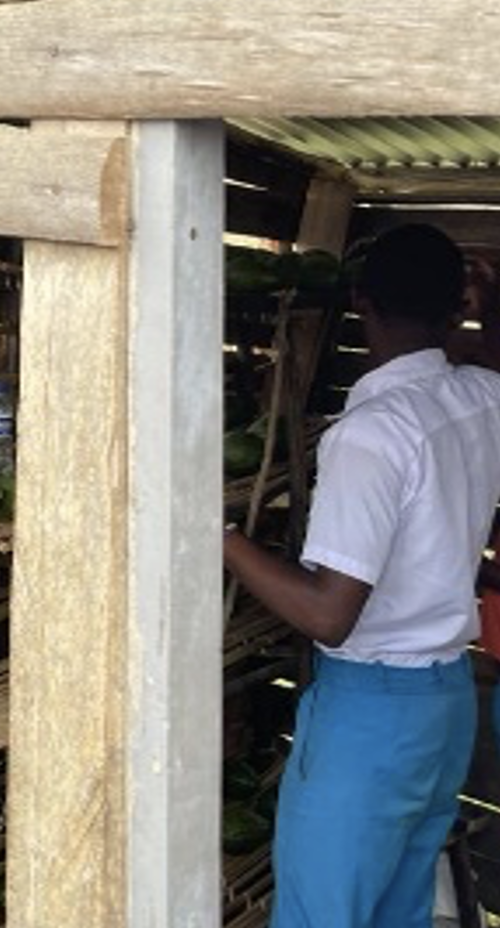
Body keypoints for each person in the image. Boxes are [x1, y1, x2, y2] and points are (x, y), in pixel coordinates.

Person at [223, 223, 500, 928]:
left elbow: (328, 614)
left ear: (359, 303)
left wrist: (215, 533)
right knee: (398, 909)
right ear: (453, 309)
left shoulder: (373, 435)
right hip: (443, 704)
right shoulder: (481, 400)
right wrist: (487, 306)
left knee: (325, 915)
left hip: (370, 717)